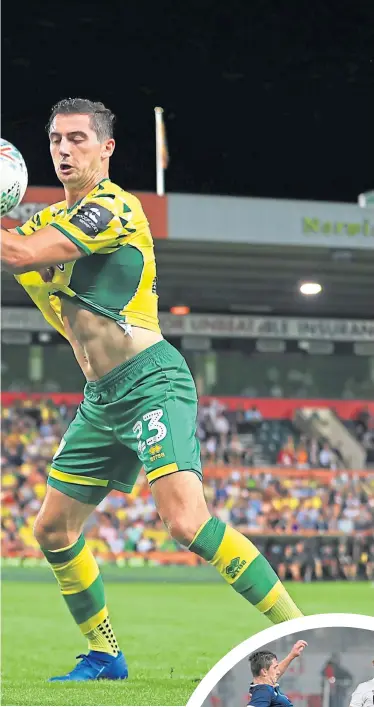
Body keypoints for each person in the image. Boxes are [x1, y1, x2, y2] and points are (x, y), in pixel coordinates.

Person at [0, 97, 302, 683]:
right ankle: (106, 655)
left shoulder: (115, 209)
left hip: (152, 381)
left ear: (106, 148)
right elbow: (18, 240)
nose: (64, 149)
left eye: (79, 139)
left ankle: (297, 631)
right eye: (57, 140)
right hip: (101, 397)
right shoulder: (43, 220)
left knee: (187, 524)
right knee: (52, 529)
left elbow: (19, 252)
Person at [248, 641, 307, 706]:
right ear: (264, 672)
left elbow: (275, 671)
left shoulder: (264, 686)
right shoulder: (263, 690)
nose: (278, 671)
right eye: (275, 668)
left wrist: (292, 655)